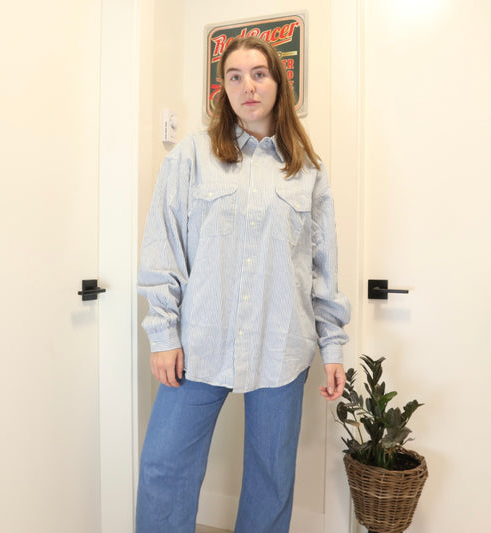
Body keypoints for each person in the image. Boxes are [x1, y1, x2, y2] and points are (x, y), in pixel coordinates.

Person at [136, 36, 350, 533]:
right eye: (234, 75)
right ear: (223, 89)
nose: (247, 85)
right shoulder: (191, 155)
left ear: (278, 83)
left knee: (271, 478)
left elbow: (322, 266)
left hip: (282, 345)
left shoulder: (308, 171)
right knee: (164, 467)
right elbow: (162, 247)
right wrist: (163, 334)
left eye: (259, 73)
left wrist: (333, 344)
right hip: (199, 344)